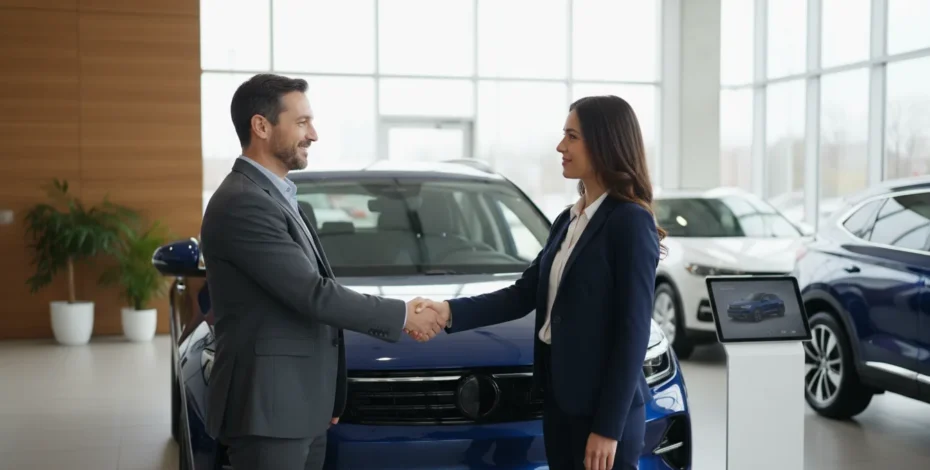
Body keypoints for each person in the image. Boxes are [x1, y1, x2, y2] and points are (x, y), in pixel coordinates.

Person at [200, 73, 448, 470]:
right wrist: (404, 314)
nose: (313, 134)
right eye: (301, 122)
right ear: (261, 126)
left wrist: (327, 396)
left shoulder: (276, 194)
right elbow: (311, 293)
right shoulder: (244, 202)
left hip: (300, 405)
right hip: (270, 410)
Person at [411, 95, 666, 470]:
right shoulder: (568, 220)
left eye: (571, 136)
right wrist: (448, 311)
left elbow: (632, 333)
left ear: (604, 142)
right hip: (561, 405)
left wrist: (608, 429)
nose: (561, 146)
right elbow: (524, 293)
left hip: (602, 415)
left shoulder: (629, 222)